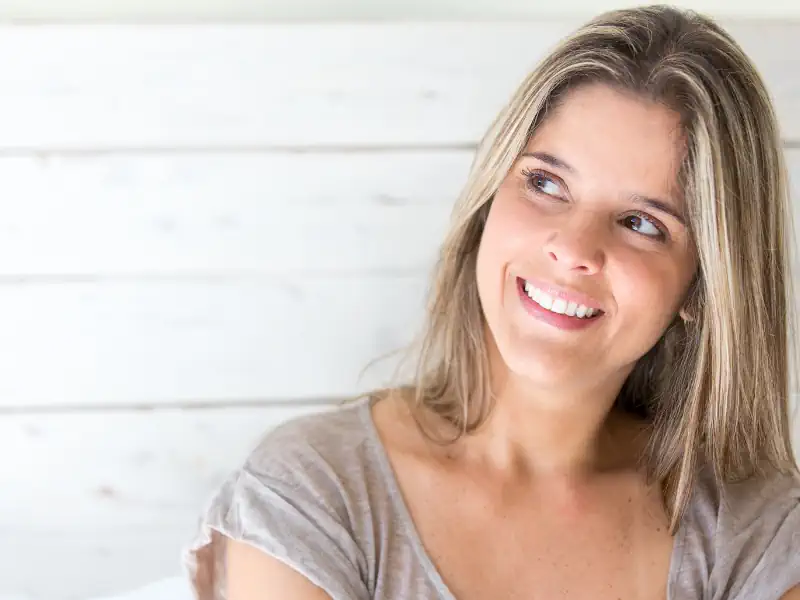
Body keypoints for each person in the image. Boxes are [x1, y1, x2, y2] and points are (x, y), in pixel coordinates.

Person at [184, 5, 800, 599]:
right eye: (546, 183)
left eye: (641, 223)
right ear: (489, 199)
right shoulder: (315, 493)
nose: (573, 247)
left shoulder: (754, 535)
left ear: (702, 286)